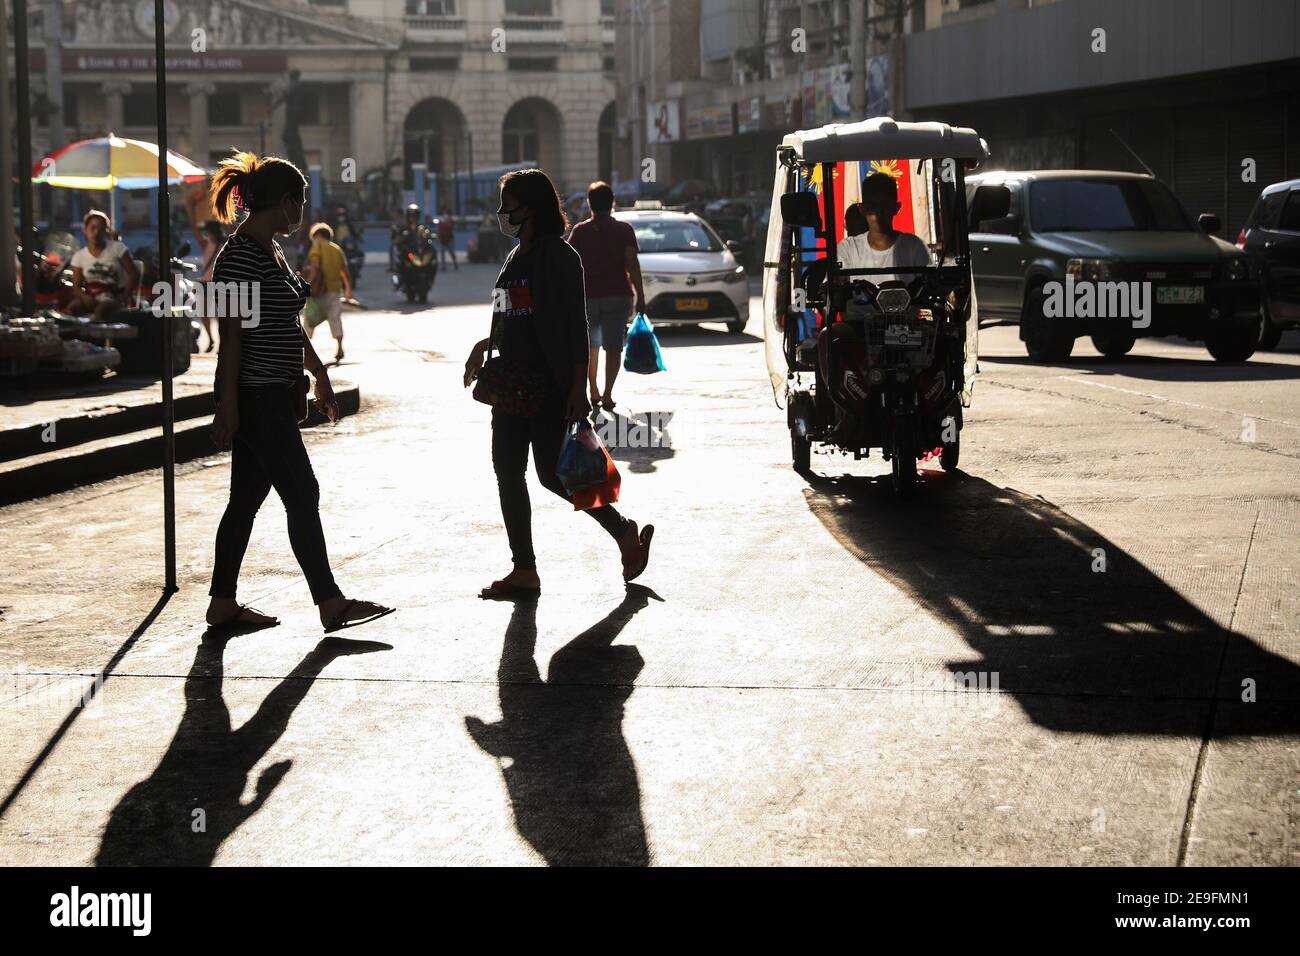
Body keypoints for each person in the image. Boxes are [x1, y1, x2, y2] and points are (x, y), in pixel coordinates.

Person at [205, 149, 393, 633]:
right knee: (301, 492)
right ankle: (331, 603)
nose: (304, 211)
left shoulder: (270, 248)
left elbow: (287, 323)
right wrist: (228, 406)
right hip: (256, 397)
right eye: (302, 201)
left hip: (275, 394)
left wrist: (319, 373)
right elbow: (232, 337)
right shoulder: (238, 256)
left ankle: (223, 603)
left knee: (245, 500)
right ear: (286, 201)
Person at [463, 169, 654, 598]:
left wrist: (577, 389)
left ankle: (624, 533)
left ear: (530, 207)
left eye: (506, 203)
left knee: (552, 475)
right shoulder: (514, 258)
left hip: (547, 385)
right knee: (507, 473)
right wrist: (483, 346)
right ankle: (524, 569)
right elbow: (507, 315)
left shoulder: (561, 257)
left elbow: (576, 326)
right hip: (510, 385)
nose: (501, 212)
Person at [566, 181, 646, 411]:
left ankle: (593, 391)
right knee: (613, 347)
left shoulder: (580, 231)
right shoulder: (624, 230)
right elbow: (632, 264)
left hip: (587, 297)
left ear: (589, 204)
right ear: (612, 203)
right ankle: (608, 394)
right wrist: (640, 296)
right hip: (617, 295)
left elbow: (570, 265)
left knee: (590, 346)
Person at [837, 172, 930, 283]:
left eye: (884, 206)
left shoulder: (914, 246)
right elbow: (833, 288)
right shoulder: (848, 248)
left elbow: (930, 284)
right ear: (862, 209)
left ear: (896, 208)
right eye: (872, 206)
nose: (878, 212)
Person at [67, 210, 139, 321]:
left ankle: (100, 337)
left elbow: (134, 273)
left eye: (101, 229)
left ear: (106, 231)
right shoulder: (79, 256)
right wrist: (84, 298)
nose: (96, 232)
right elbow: (76, 286)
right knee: (72, 308)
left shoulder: (118, 248)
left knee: (101, 310)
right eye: (92, 228)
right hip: (91, 296)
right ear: (85, 230)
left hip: (114, 297)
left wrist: (125, 296)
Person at [303, 222, 352, 364]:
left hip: (318, 291)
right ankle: (340, 348)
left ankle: (305, 351)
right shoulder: (337, 249)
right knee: (335, 318)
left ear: (318, 236)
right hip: (335, 290)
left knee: (309, 319)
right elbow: (345, 271)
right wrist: (348, 289)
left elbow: (315, 267)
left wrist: (307, 285)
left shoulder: (317, 247)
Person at [192, 219, 226, 352]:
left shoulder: (223, 244)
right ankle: (212, 339)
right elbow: (195, 232)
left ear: (211, 231)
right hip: (207, 282)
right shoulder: (208, 243)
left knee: (219, 315)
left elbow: (195, 232)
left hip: (218, 283)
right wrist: (191, 210)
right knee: (204, 313)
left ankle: (220, 341)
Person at [436, 207, 457, 271]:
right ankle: (443, 266)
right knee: (442, 252)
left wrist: (447, 222)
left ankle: (455, 263)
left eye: (446, 213)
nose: (445, 215)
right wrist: (438, 237)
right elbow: (439, 230)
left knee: (451, 252)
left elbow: (451, 227)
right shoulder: (440, 221)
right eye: (443, 213)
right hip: (442, 239)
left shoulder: (450, 220)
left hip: (449, 239)